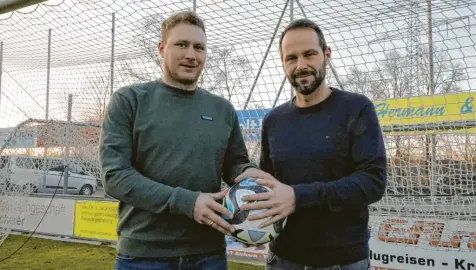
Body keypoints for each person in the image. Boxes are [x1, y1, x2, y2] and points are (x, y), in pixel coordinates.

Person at [99, 10, 271, 270]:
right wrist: (189, 203)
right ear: (161, 48)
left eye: (199, 47)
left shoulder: (222, 109)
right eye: (182, 44)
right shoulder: (129, 100)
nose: (191, 54)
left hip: (209, 254)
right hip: (144, 256)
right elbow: (114, 176)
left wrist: (253, 179)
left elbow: (235, 164)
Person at [235, 19, 388, 269]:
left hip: (341, 260)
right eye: (291, 58)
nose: (301, 65)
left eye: (309, 54)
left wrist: (298, 196)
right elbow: (270, 187)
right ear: (283, 63)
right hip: (282, 258)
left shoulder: (357, 108)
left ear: (326, 55)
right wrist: (252, 221)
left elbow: (373, 182)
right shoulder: (273, 121)